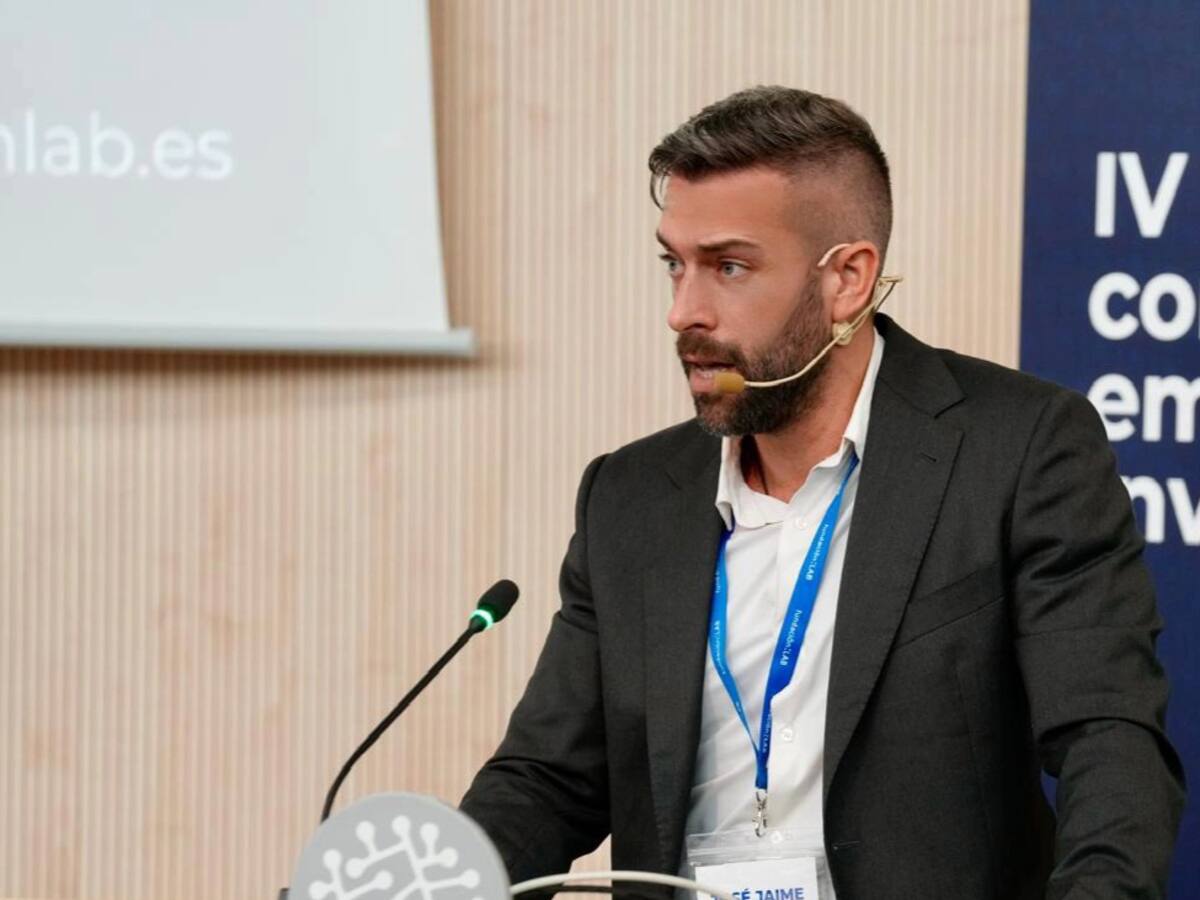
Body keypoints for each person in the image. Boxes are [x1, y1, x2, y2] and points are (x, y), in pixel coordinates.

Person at [460, 86, 1184, 898]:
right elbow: (546, 780)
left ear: (848, 279)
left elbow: (1108, 741)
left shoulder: (1019, 450)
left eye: (729, 267)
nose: (684, 311)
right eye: (675, 264)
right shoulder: (630, 497)